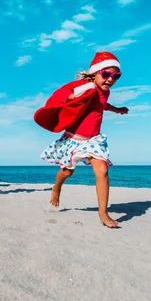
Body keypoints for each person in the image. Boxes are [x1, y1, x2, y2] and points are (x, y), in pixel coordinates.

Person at [34, 52, 129, 228]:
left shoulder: (105, 93)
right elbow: (62, 93)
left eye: (116, 76)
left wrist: (117, 110)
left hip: (93, 139)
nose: (110, 79)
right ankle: (56, 188)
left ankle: (103, 213)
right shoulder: (87, 88)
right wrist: (70, 98)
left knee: (102, 170)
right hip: (73, 139)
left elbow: (101, 105)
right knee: (67, 172)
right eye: (106, 74)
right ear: (95, 73)